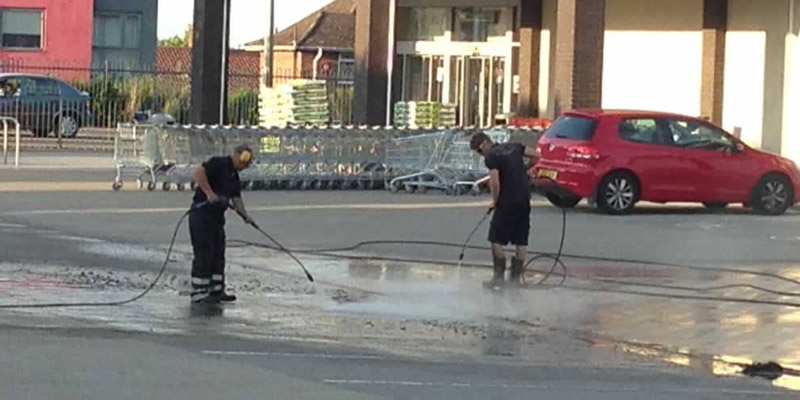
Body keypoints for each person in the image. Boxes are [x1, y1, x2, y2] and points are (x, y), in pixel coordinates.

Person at [470, 132, 538, 288]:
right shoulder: (514, 146)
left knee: (495, 239)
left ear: (484, 145)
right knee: (521, 239)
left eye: (479, 152)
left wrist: (495, 201)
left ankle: (498, 277)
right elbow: (536, 155)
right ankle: (515, 280)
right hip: (524, 198)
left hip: (507, 200)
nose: (481, 156)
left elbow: (495, 183)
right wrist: (525, 169)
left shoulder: (491, 157)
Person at [190, 145, 256, 304]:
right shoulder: (218, 164)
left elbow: (236, 198)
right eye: (243, 162)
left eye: (247, 164)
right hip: (201, 215)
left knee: (218, 254)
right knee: (204, 254)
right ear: (235, 155)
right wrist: (209, 194)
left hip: (216, 219)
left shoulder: (234, 176)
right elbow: (198, 173)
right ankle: (199, 292)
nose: (244, 167)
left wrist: (245, 216)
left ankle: (216, 290)